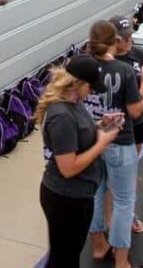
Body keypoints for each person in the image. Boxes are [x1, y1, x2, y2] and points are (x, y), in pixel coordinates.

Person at [35, 54, 119, 268]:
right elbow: (68, 168)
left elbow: (78, 134)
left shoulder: (74, 102)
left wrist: (100, 125)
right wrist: (102, 143)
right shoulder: (61, 116)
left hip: (79, 195)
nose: (92, 92)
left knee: (68, 254)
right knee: (64, 259)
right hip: (65, 198)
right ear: (76, 82)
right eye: (90, 87)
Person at [85, 19, 143, 268]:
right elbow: (135, 112)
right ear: (113, 41)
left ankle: (98, 247)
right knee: (124, 201)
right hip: (119, 139)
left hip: (92, 139)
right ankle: (121, 261)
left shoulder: (83, 66)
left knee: (96, 192)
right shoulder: (124, 71)